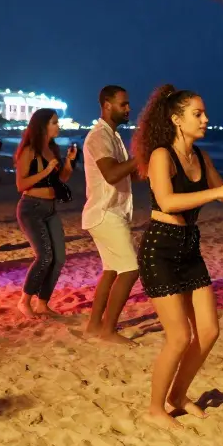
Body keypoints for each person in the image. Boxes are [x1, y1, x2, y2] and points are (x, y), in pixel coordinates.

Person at [132, 84, 223, 429]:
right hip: (160, 249)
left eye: (204, 113)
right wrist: (217, 192)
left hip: (189, 246)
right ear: (177, 119)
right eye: (197, 114)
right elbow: (167, 201)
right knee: (178, 338)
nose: (205, 119)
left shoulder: (201, 157)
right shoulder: (161, 156)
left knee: (209, 330)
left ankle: (177, 396)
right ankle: (155, 408)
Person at [82, 85, 140, 344]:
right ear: (107, 105)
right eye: (123, 104)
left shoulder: (113, 136)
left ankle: (95, 325)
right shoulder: (99, 136)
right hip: (105, 213)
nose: (128, 108)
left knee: (112, 270)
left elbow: (127, 175)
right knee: (131, 269)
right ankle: (108, 331)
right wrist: (141, 157)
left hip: (110, 211)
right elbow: (112, 174)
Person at [14, 108, 78, 318]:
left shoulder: (52, 149)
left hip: (50, 209)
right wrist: (46, 171)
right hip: (31, 208)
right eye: (54, 122)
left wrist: (68, 161)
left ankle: (42, 303)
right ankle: (24, 301)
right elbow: (21, 184)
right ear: (42, 126)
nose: (58, 126)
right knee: (44, 257)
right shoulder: (29, 151)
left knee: (59, 258)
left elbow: (62, 179)